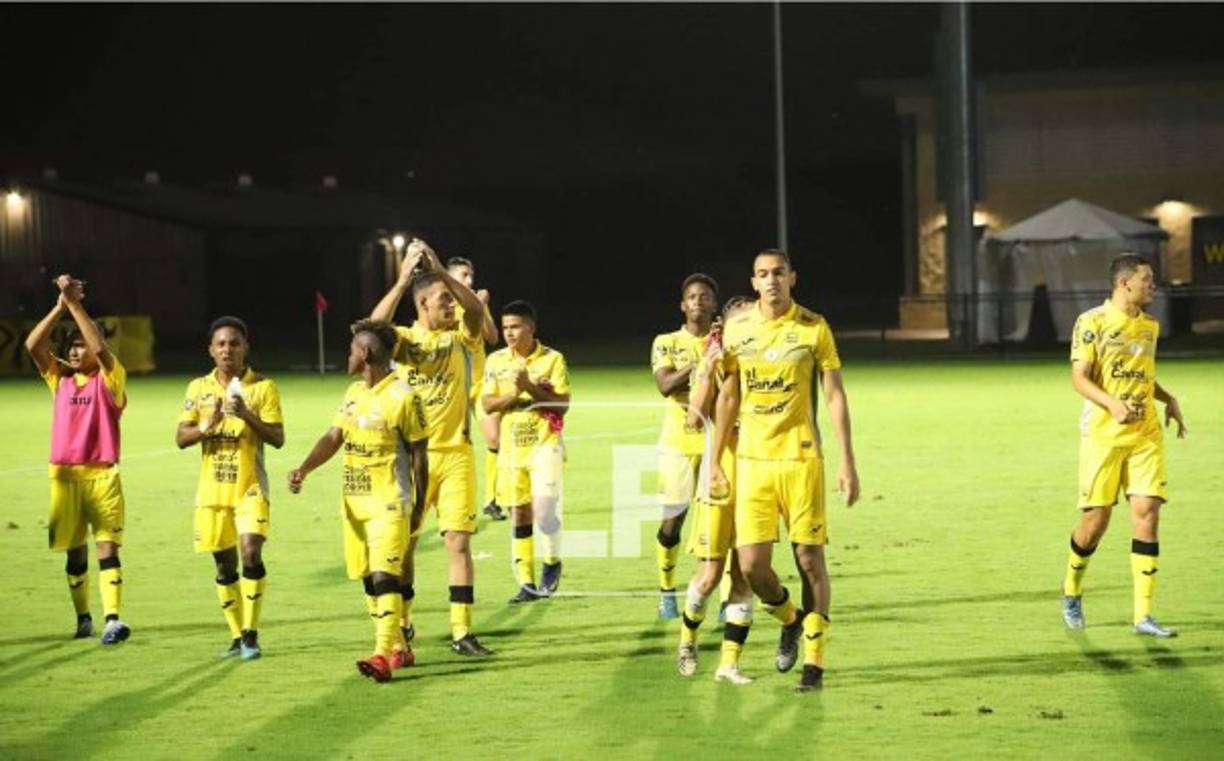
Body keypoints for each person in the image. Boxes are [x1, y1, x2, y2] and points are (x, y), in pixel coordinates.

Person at [711, 250, 860, 692]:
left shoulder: (814, 327)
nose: (771, 280)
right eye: (763, 274)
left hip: (801, 459)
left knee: (810, 560)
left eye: (778, 273)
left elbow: (834, 395)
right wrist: (714, 461)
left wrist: (848, 461)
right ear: (753, 282)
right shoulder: (738, 329)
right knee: (752, 567)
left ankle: (814, 665)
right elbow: (729, 397)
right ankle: (790, 618)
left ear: (792, 278)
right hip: (752, 462)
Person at [369, 240, 493, 657]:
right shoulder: (405, 340)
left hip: (456, 454)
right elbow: (371, 332)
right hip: (412, 460)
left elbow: (474, 309)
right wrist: (403, 279)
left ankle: (462, 631)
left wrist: (440, 270)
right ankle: (403, 624)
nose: (452, 305)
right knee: (405, 546)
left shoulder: (462, 337)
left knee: (458, 541)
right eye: (443, 299)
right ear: (422, 304)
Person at [288, 320, 429, 683]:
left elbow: (419, 453)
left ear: (364, 353)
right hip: (354, 503)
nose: (347, 356)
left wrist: (418, 505)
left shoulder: (404, 395)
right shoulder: (353, 393)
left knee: (385, 577)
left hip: (390, 501)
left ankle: (381, 655)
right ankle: (399, 646)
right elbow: (334, 437)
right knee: (369, 581)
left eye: (351, 350)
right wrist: (304, 469)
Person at [1061, 253, 1187, 637]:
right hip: (1103, 436)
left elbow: (1143, 376)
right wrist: (1112, 405)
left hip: (1145, 435)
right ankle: (1071, 591)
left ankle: (1143, 616)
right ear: (1124, 283)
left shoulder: (1149, 326)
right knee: (1095, 522)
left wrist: (1168, 398)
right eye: (1147, 279)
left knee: (1147, 513)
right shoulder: (1092, 322)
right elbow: (1079, 378)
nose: (1153, 286)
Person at [24, 274, 131, 645]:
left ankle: (112, 619)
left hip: (103, 477)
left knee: (107, 548)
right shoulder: (61, 380)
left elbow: (100, 350)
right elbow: (32, 344)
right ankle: (84, 618)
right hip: (64, 479)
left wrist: (74, 304)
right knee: (75, 556)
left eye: (80, 344)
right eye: (70, 345)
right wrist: (60, 306)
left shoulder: (111, 380)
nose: (74, 351)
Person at [176, 316, 285, 659]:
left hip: (250, 488)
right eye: (221, 344)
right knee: (224, 567)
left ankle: (251, 633)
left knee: (251, 552)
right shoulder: (198, 388)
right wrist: (208, 425)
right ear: (211, 350)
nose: (228, 350)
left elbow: (278, 438)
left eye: (234, 344)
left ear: (246, 348)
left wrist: (246, 414)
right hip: (213, 493)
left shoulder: (263, 388)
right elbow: (181, 438)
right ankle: (237, 635)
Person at [677, 296, 756, 684]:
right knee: (709, 575)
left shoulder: (765, 361)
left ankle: (729, 664)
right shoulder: (713, 360)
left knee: (745, 574)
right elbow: (693, 420)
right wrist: (707, 374)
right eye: (741, 320)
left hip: (757, 473)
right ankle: (687, 642)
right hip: (720, 474)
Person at [481, 301, 570, 602]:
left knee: (543, 514)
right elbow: (488, 404)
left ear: (531, 327)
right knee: (519, 514)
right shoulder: (495, 361)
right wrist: (514, 393)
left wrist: (530, 387)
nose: (509, 333)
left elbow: (563, 405)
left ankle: (552, 561)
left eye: (515, 327)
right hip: (511, 450)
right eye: (505, 327)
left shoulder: (553, 359)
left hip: (545, 445)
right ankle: (527, 584)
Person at [650, 273, 718, 619]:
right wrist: (702, 361)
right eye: (692, 296)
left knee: (719, 523)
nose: (698, 301)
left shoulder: (727, 341)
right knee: (672, 521)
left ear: (714, 304)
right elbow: (665, 385)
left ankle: (725, 599)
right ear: (683, 304)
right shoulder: (667, 342)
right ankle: (667, 590)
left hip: (717, 444)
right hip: (677, 444)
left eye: (705, 296)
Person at [444, 256, 504, 522]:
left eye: (471, 275)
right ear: (450, 278)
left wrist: (481, 308)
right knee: (456, 447)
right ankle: (456, 506)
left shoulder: (476, 303)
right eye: (464, 275)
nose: (469, 280)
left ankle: (492, 499)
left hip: (480, 385)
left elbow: (492, 337)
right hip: (452, 387)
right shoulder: (443, 305)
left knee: (495, 439)